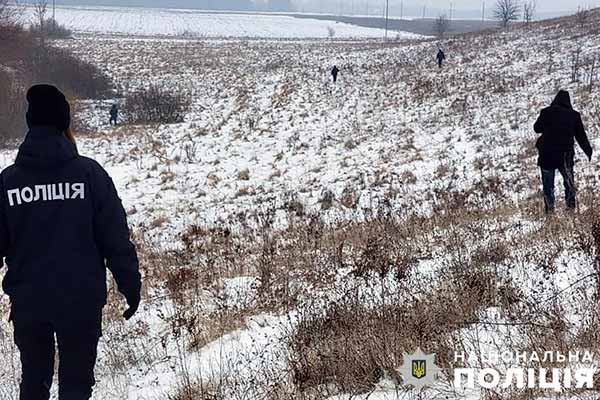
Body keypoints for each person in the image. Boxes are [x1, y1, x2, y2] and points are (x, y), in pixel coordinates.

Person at [0, 85, 141, 399]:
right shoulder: (89, 175)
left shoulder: (8, 182)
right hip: (81, 303)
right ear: (65, 123)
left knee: (33, 382)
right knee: (76, 385)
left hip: (29, 304)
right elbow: (115, 238)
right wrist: (130, 286)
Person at [534, 90, 593, 214]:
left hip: (547, 155)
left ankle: (550, 213)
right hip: (565, 156)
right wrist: (588, 151)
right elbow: (581, 136)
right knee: (569, 184)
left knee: (548, 186)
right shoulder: (574, 115)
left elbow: (537, 128)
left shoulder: (546, 112)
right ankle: (570, 210)